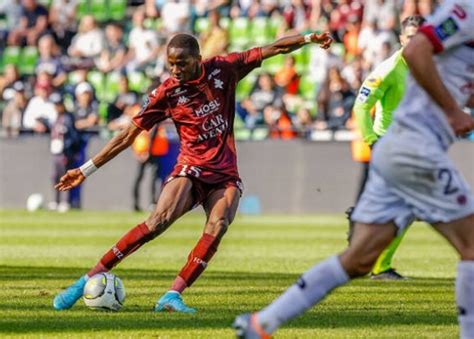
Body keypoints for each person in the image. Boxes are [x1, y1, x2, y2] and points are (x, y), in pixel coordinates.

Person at [234, 1, 474, 338]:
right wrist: (452, 111)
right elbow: (418, 49)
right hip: (414, 148)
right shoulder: (466, 12)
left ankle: (261, 324)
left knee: (359, 259)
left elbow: (455, 80)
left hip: (401, 150)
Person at [52, 32, 333, 312]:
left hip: (224, 171)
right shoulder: (167, 93)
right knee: (157, 222)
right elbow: (127, 136)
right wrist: (85, 170)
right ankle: (84, 281)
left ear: (198, 59)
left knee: (219, 224)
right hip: (191, 167)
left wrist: (309, 38)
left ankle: (172, 295)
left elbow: (273, 48)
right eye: (171, 64)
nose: (175, 70)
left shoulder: (224, 68)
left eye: (181, 63)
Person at [347, 15, 425, 280]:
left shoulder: (427, 65)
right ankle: (378, 263)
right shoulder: (389, 68)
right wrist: (372, 141)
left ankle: (362, 226)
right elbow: (361, 105)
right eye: (410, 37)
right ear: (402, 39)